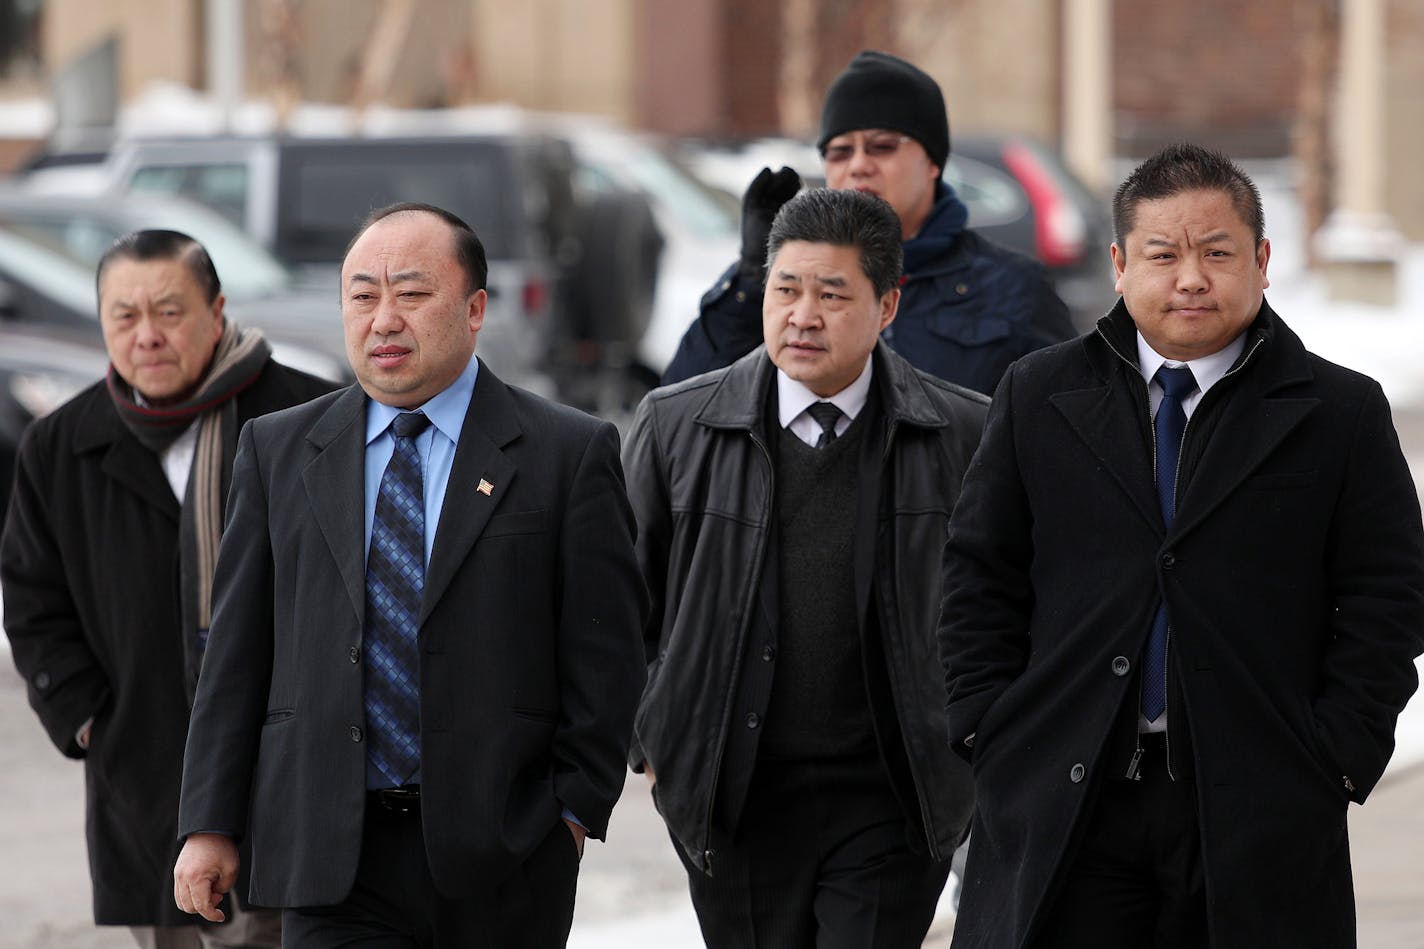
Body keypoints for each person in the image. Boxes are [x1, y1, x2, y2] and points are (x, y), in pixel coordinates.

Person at [938, 143, 1424, 948]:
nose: (1190, 277)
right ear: (1121, 264)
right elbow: (978, 577)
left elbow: (1389, 598)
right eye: (1164, 254)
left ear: (1263, 262)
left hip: (1256, 803)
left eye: (1217, 252)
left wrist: (1338, 753)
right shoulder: (1039, 394)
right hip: (1068, 792)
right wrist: (991, 731)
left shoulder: (1338, 413)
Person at [168, 202, 646, 948]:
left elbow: (607, 652)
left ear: (475, 307)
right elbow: (236, 653)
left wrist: (571, 813)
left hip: (505, 853)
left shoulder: (565, 453)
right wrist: (209, 820)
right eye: (363, 295)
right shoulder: (281, 450)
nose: (384, 318)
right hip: (334, 854)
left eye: (412, 293)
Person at [624, 187, 987, 947]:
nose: (802, 314)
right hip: (737, 795)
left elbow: (1002, 607)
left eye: (832, 294)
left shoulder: (962, 433)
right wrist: (653, 740)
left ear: (889, 305)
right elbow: (620, 605)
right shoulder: (676, 426)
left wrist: (974, 747)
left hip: (894, 794)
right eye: (785, 289)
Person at [1, 229, 335, 948]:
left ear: (217, 312)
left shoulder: (311, 420)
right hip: (148, 779)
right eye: (124, 316)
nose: (146, 335)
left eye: (169, 311)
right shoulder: (62, 444)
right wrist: (89, 717)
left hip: (290, 772)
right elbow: (32, 598)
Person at [662, 49, 1075, 395]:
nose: (859, 166)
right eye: (840, 152)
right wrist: (753, 278)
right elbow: (683, 410)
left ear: (932, 162)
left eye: (881, 147)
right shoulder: (780, 289)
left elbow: (1066, 434)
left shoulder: (1015, 289)